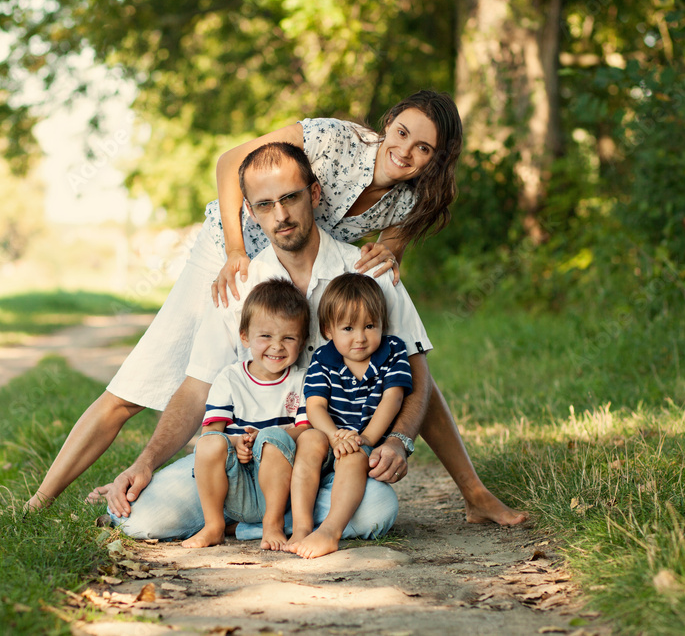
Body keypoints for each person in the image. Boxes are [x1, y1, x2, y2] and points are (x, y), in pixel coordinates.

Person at [27, 90, 464, 512]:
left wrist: (398, 439)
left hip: (298, 263)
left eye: (423, 147)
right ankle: (40, 501)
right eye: (402, 132)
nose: (406, 150)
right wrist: (236, 250)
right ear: (389, 123)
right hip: (231, 257)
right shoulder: (334, 140)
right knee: (139, 387)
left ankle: (473, 493)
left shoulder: (410, 199)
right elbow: (232, 161)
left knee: (396, 352)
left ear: (436, 158)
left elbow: (386, 265)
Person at [102, 142, 524, 543]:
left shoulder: (368, 271)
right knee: (141, 520)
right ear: (250, 212)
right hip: (243, 462)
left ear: (315, 194)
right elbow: (196, 388)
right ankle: (253, 515)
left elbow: (414, 373)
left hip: (329, 459)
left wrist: (398, 440)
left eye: (290, 198)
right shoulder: (240, 284)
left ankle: (259, 521)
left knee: (376, 509)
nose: (280, 215)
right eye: (265, 205)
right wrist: (146, 462)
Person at [286, 273, 412, 558]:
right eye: (348, 328)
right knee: (309, 441)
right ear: (329, 330)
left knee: (353, 454)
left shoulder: (392, 352)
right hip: (330, 436)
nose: (360, 337)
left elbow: (393, 398)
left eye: (370, 326)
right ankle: (302, 527)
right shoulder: (323, 358)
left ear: (382, 324)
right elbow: (315, 405)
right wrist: (333, 435)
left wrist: (365, 437)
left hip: (363, 439)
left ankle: (330, 530)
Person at [181, 279, 311, 550]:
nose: (276, 347)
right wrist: (235, 441)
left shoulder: (302, 381)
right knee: (208, 444)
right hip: (235, 486)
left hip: (281, 487)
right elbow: (211, 434)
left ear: (303, 341)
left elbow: (306, 430)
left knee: (274, 437)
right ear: (245, 336)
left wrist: (267, 437)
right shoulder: (230, 378)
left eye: (288, 338)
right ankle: (214, 525)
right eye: (265, 336)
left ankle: (272, 524)